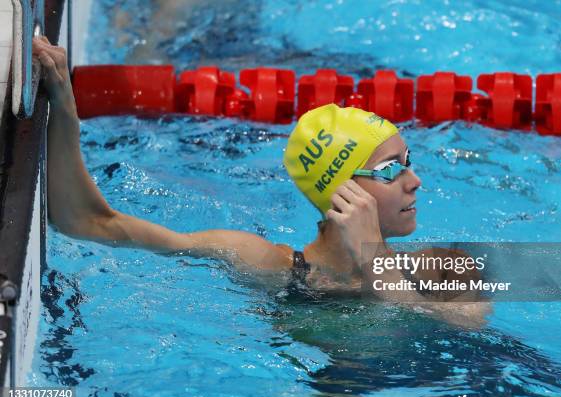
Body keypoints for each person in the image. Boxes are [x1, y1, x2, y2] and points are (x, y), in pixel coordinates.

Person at [33, 37, 490, 327]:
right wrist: (66, 113)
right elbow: (89, 223)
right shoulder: (266, 265)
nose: (416, 181)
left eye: (408, 162)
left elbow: (471, 326)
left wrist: (373, 259)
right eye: (392, 169)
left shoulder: (440, 269)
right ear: (340, 191)